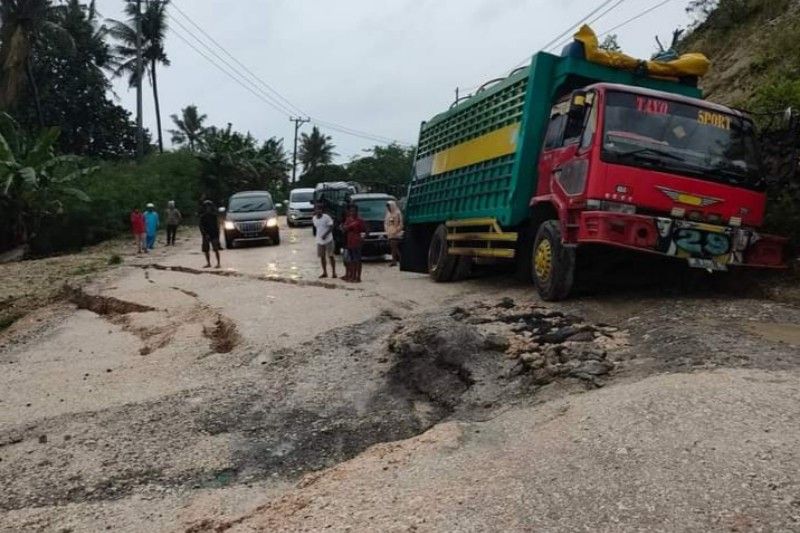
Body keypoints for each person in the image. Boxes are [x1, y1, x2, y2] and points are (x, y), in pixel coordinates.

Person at [312, 203, 337, 279]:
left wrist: (325, 234)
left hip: (329, 240)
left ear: (322, 210)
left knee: (331, 256)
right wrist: (320, 236)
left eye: (320, 209)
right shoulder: (314, 219)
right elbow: (317, 228)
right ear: (315, 210)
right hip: (319, 241)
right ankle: (325, 272)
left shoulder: (326, 217)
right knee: (322, 257)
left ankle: (334, 272)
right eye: (317, 209)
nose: (318, 211)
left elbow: (331, 227)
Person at [342, 204, 366, 283]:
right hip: (350, 242)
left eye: (354, 211)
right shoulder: (348, 219)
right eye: (351, 211)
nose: (352, 212)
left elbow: (365, 230)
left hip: (357, 242)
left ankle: (358, 277)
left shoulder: (360, 220)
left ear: (357, 211)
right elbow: (344, 229)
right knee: (352, 260)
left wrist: (362, 238)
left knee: (358, 260)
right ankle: (352, 276)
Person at [199, 200, 221, 268]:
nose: (208, 208)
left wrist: (218, 235)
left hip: (214, 234)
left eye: (209, 206)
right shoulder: (202, 217)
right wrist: (204, 234)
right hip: (206, 235)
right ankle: (208, 263)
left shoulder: (214, 216)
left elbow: (218, 226)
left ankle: (218, 263)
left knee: (216, 249)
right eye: (206, 207)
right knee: (206, 250)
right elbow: (201, 226)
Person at [384, 200, 403, 267]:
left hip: (396, 233)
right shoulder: (388, 214)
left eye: (389, 207)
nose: (388, 208)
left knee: (394, 247)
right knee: (393, 248)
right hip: (390, 233)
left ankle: (395, 260)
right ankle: (397, 260)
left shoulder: (398, 213)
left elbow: (401, 224)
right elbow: (386, 223)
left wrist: (396, 230)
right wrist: (387, 230)